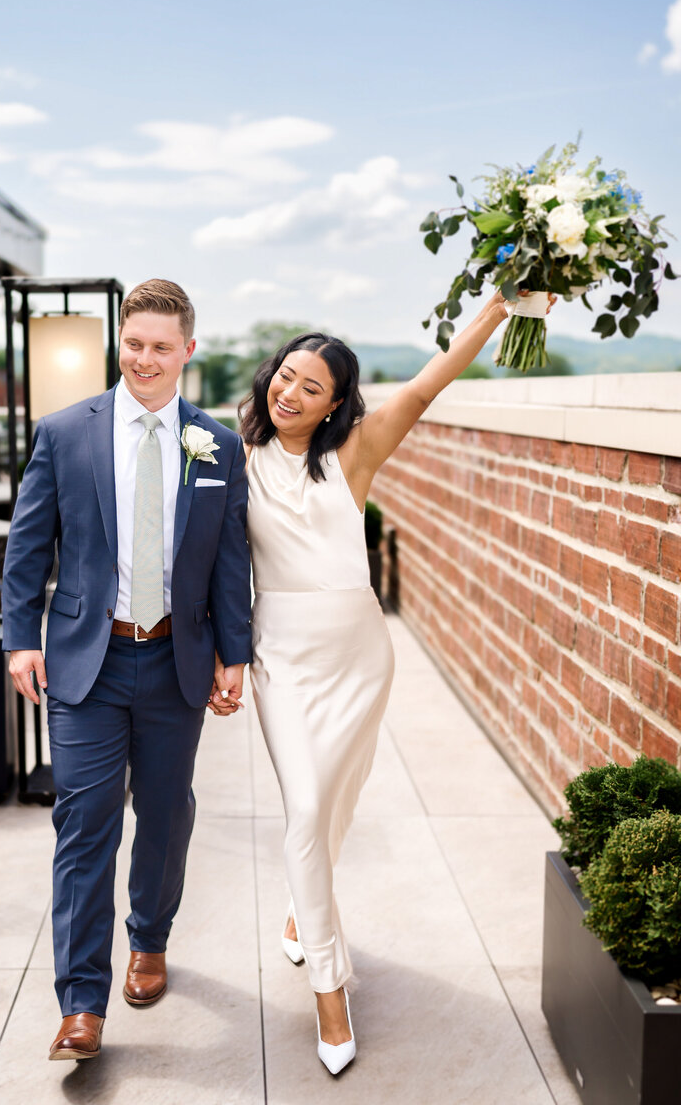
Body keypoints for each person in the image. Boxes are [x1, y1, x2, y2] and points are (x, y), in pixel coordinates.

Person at [239, 290, 546, 1074]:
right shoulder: (234, 461)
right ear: (269, 376)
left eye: (313, 386)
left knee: (331, 805)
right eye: (286, 375)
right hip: (283, 656)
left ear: (338, 403)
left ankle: (300, 912)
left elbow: (430, 380)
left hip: (357, 659)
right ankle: (331, 993)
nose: (292, 392)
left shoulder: (355, 453)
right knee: (305, 808)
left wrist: (500, 307)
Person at [2, 279, 251, 1062]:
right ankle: (81, 1003)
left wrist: (235, 653)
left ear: (187, 351)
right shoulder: (66, 433)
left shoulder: (218, 445)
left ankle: (151, 938)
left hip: (176, 657)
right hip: (88, 661)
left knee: (168, 812)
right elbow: (27, 545)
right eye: (133, 343)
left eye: (160, 346)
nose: (144, 358)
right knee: (84, 822)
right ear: (122, 341)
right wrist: (19, 638)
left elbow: (228, 560)